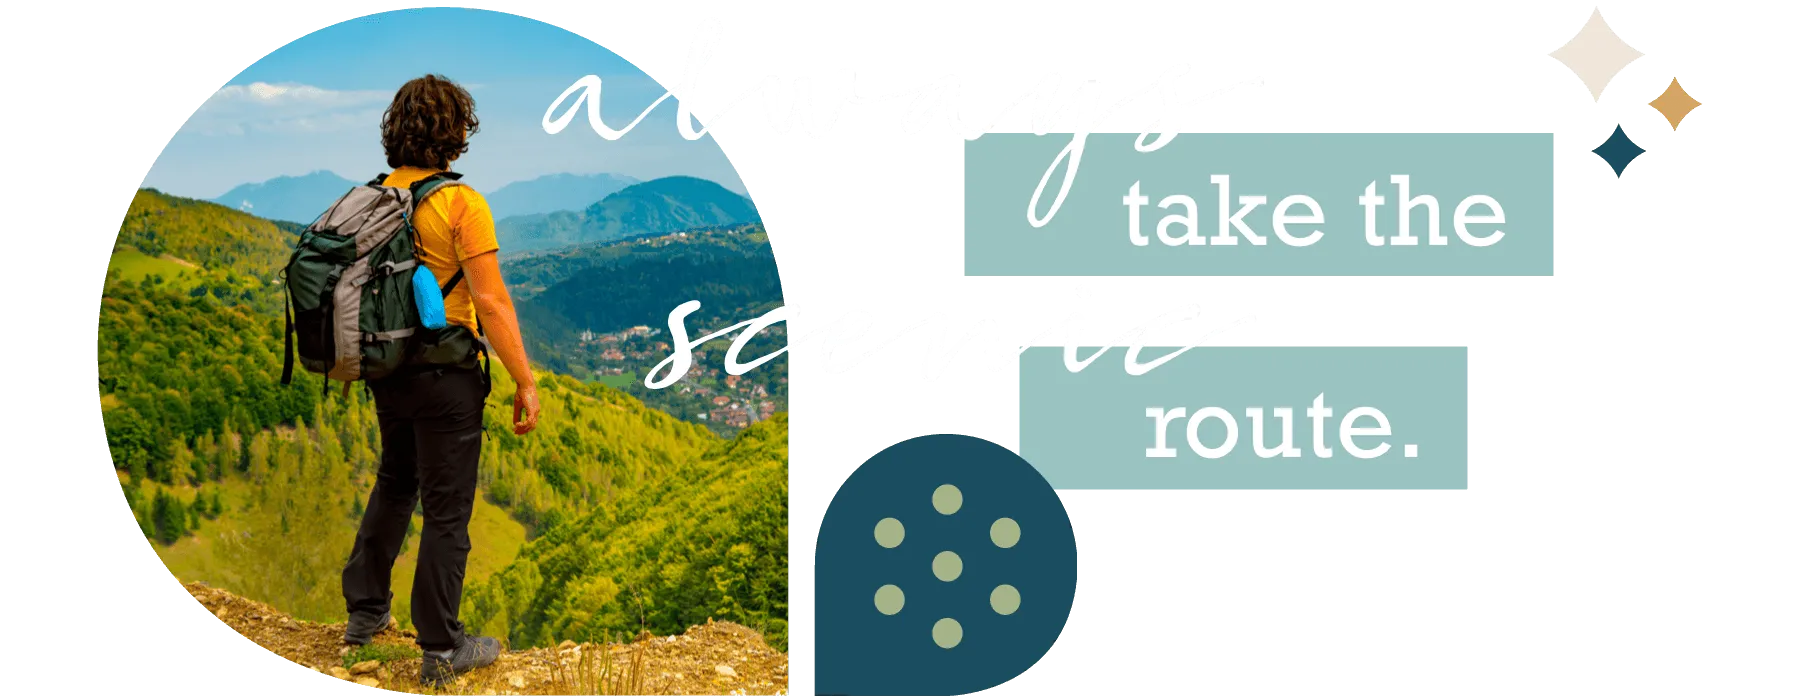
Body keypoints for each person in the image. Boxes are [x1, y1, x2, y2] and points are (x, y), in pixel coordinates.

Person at [338, 74, 542, 688]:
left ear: (393, 130)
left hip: (386, 370)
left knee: (395, 484)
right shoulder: (460, 203)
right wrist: (524, 381)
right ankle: (442, 647)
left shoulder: (367, 197)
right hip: (446, 372)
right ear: (457, 134)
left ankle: (365, 616)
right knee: (447, 510)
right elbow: (493, 302)